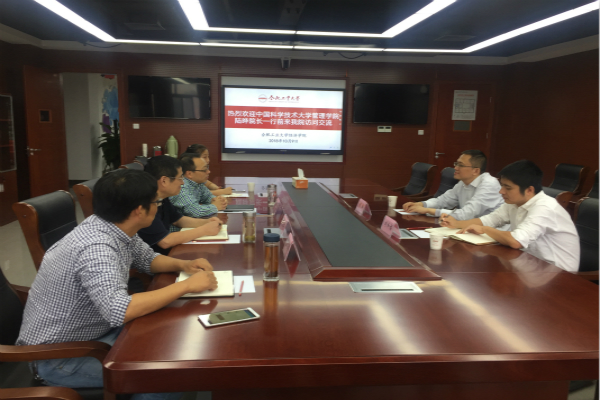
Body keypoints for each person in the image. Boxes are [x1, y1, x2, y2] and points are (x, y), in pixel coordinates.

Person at [16, 169, 218, 400]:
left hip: (98, 333)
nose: (158, 207)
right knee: (167, 375)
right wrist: (187, 286)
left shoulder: (114, 226)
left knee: (173, 334)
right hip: (61, 357)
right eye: (156, 202)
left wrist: (184, 265)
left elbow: (147, 259)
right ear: (139, 210)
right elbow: (119, 309)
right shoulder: (97, 247)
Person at [440, 160, 580, 271]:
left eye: (508, 187)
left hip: (557, 273)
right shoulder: (514, 202)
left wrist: (485, 230)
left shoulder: (545, 208)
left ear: (529, 190)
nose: (501, 191)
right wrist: (456, 224)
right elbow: (489, 220)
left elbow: (516, 241)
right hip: (530, 262)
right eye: (502, 185)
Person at [138, 156, 222, 255]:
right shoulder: (145, 203)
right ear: (164, 181)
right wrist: (204, 230)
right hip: (153, 258)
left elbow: (178, 220)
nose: (182, 182)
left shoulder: (162, 198)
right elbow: (165, 241)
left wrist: (206, 222)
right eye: (180, 178)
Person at [403, 150, 504, 220]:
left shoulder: (489, 185)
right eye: (456, 164)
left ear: (475, 171)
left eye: (460, 165)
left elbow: (466, 214)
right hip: (469, 228)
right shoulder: (463, 182)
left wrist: (428, 210)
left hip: (491, 233)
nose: (455, 168)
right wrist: (421, 204)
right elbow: (443, 200)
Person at [170, 153, 228, 221]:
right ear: (189, 174)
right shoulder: (182, 187)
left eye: (207, 168)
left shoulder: (198, 184)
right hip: (180, 226)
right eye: (204, 170)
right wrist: (215, 206)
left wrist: (219, 200)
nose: (208, 172)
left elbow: (208, 197)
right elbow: (195, 211)